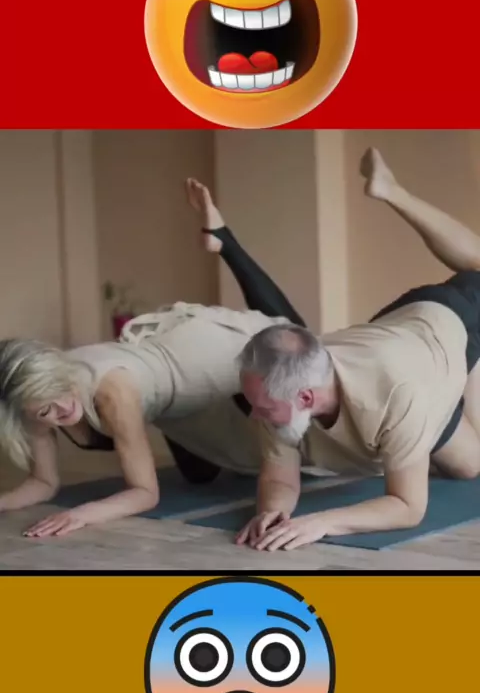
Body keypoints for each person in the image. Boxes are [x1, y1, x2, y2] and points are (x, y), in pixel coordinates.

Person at [0, 179, 312, 538]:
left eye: (57, 392)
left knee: (296, 341)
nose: (60, 409)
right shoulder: (29, 400)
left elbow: (145, 493)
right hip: (172, 400)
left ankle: (224, 241)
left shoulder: (110, 392)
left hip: (201, 354)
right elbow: (43, 483)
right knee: (200, 476)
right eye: (45, 411)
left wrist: (81, 515)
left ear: (56, 368)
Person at [236, 147, 480, 551]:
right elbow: (279, 476)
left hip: (447, 319)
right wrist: (272, 511)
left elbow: (408, 507)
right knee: (470, 466)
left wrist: (322, 522)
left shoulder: (399, 391)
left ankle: (394, 192)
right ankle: (452, 386)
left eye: (262, 407)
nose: (254, 413)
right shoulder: (279, 384)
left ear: (305, 397)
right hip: (399, 335)